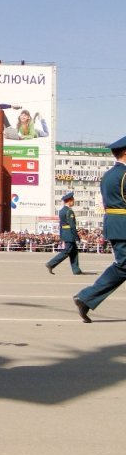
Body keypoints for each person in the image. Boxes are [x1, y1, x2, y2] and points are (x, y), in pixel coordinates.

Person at [73, 136, 126, 323]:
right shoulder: (125, 174)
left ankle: (86, 298)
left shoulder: (109, 174)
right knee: (123, 265)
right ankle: (86, 297)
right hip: (124, 224)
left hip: (114, 223)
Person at [46, 192, 82, 275]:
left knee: (74, 251)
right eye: (73, 200)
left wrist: (61, 235)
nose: (74, 202)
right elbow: (72, 225)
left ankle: (76, 270)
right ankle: (51, 264)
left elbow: (61, 224)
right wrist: (76, 237)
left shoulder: (62, 211)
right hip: (70, 234)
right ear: (69, 201)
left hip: (65, 233)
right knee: (67, 250)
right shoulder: (69, 211)